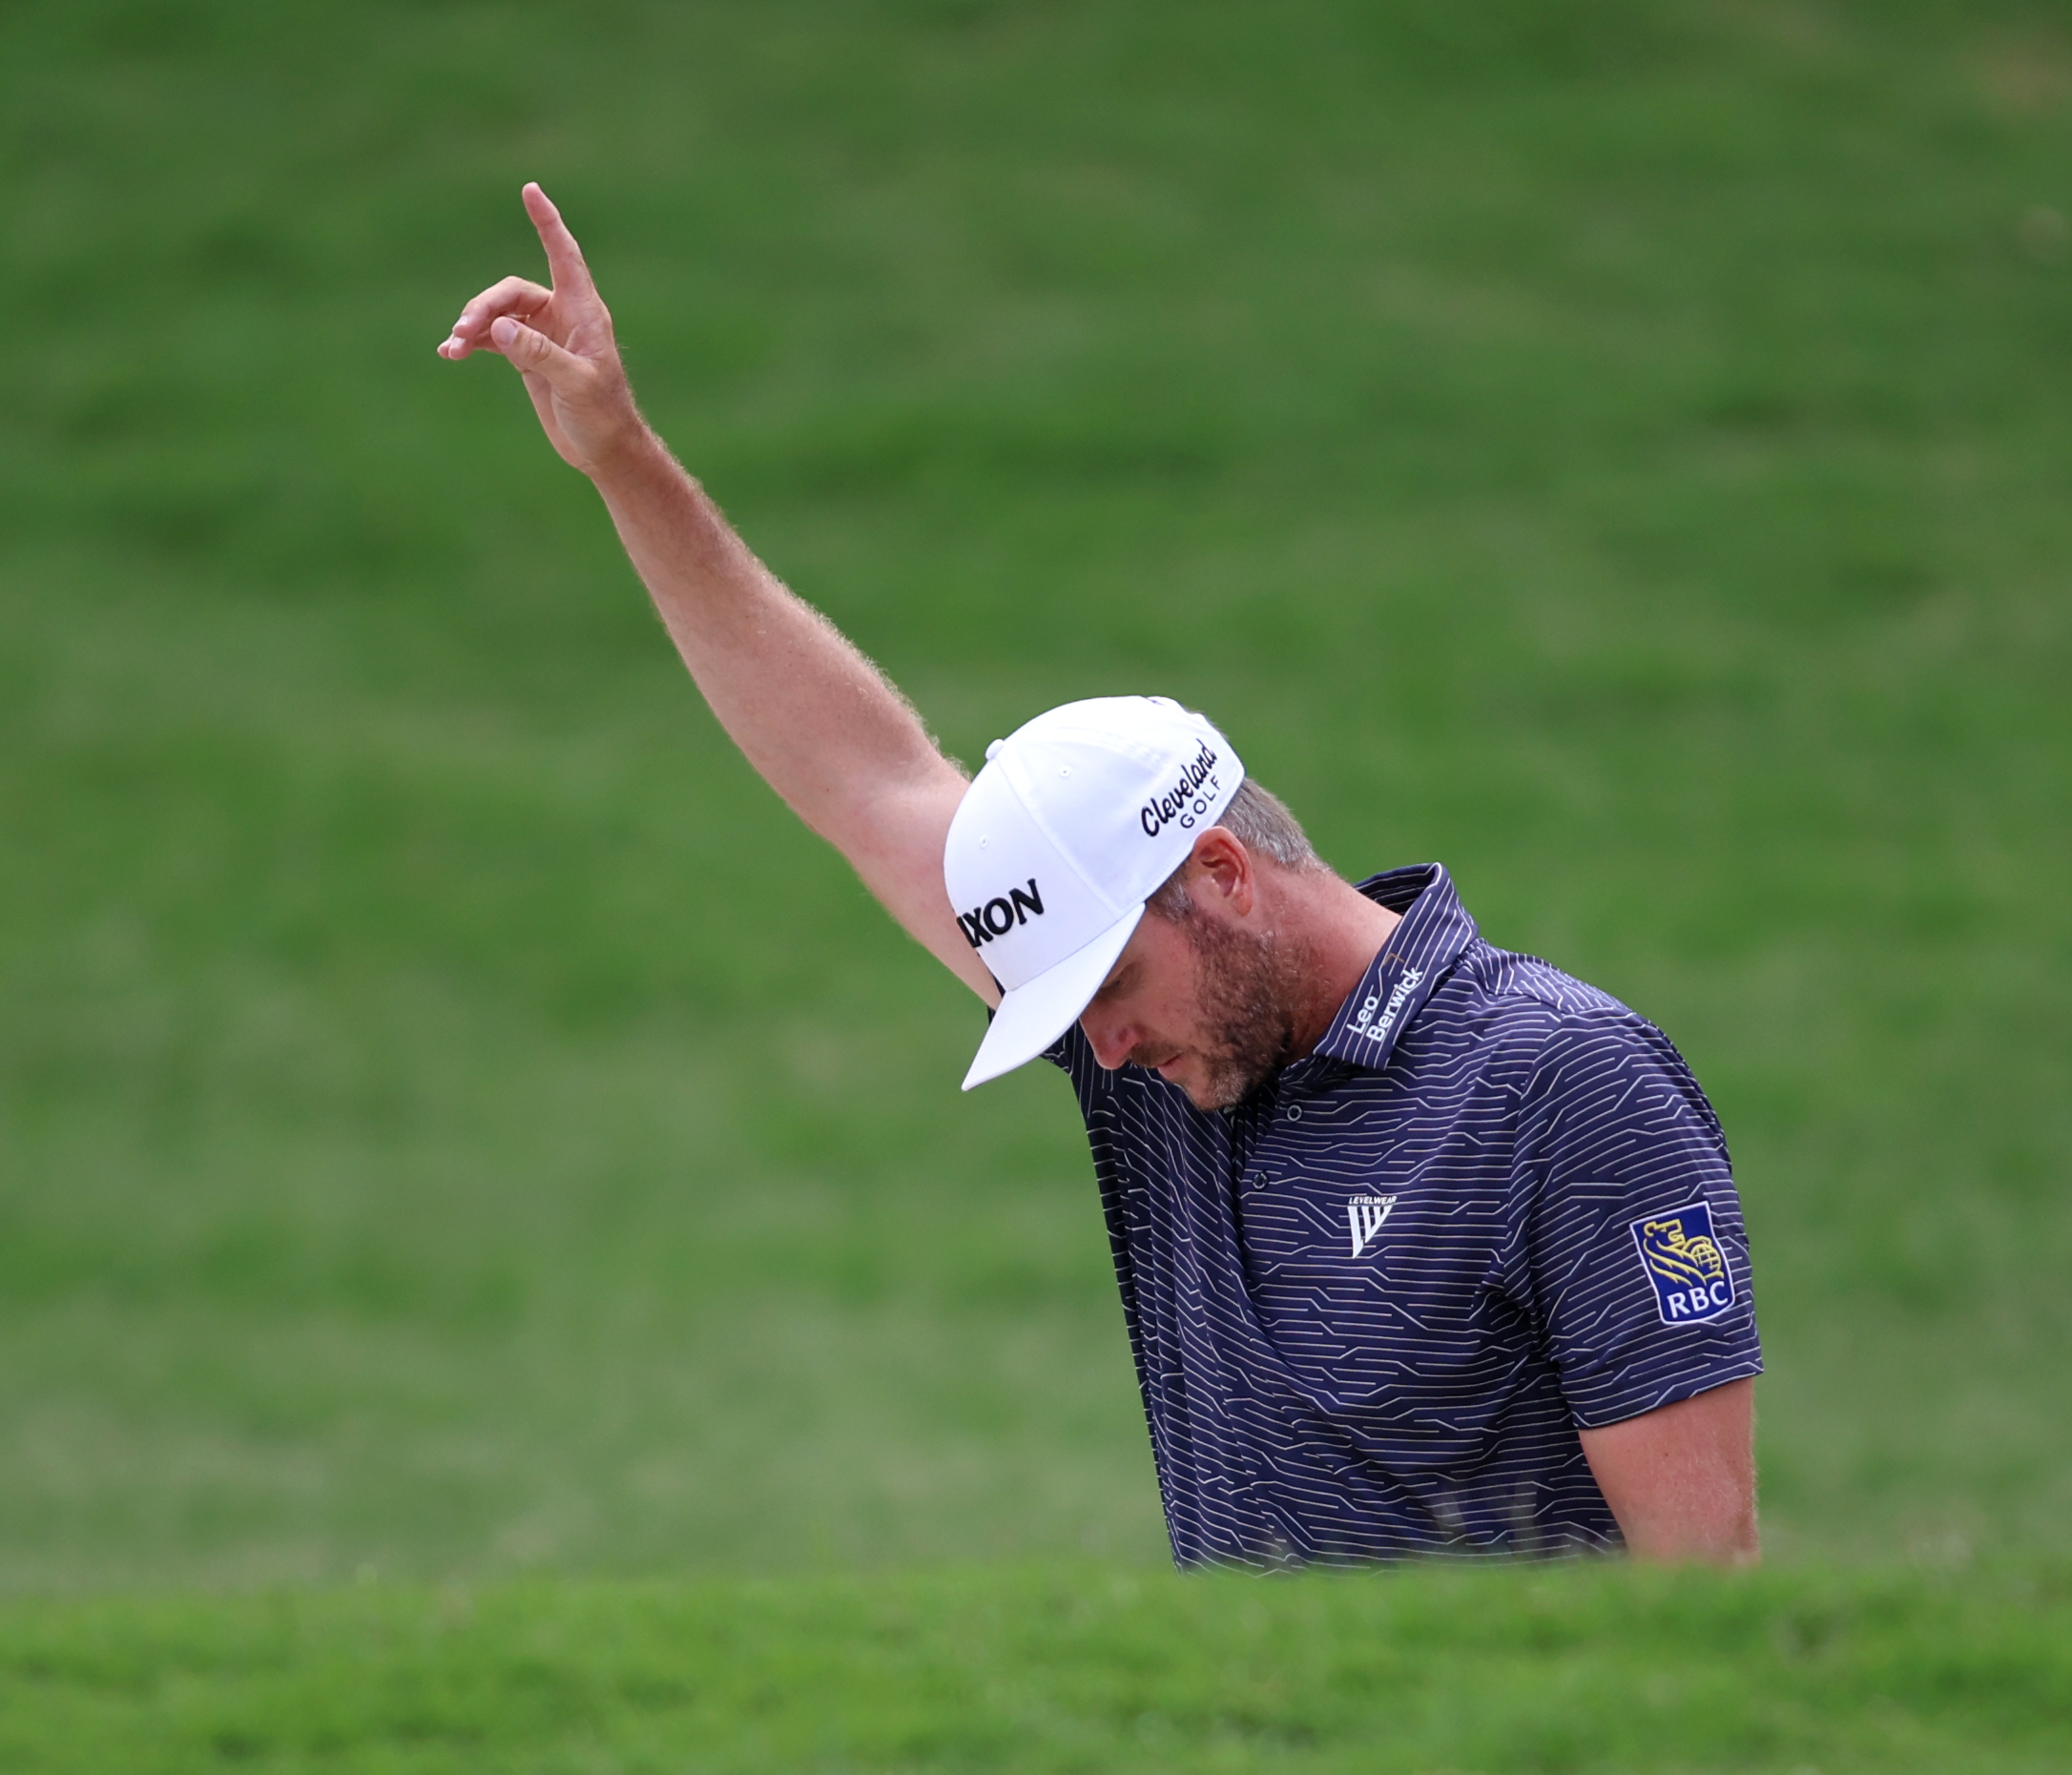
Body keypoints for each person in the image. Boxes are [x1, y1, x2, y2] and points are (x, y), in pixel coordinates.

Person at [440, 184, 1763, 1568]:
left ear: (1220, 876)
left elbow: (1703, 1590)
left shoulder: (1564, 1086)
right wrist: (624, 459)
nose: (1102, 1042)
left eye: (1110, 983)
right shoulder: (1166, 1066)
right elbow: (866, 781)